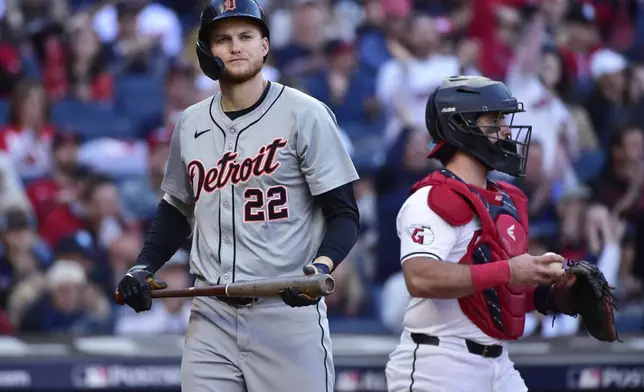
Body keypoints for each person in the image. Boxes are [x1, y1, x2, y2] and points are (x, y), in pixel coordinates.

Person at [115, 1, 361, 392]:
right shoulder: (191, 122)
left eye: (246, 36)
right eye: (223, 39)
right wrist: (142, 267)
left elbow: (344, 213)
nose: (235, 47)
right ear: (205, 53)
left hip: (285, 311)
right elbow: (177, 209)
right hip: (210, 314)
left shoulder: (305, 114)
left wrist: (322, 266)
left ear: (265, 45)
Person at [385, 76, 568, 392]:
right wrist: (509, 270)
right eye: (494, 120)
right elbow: (420, 278)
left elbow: (493, 293)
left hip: (499, 364)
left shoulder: (505, 199)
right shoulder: (431, 199)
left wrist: (550, 295)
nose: (507, 130)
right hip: (440, 365)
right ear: (460, 125)